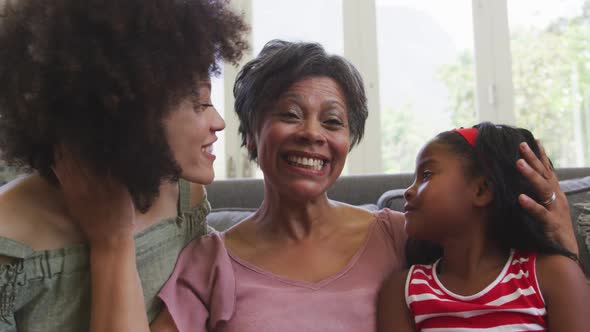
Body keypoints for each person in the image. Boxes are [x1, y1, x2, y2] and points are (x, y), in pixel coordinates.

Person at [80, 41, 580, 332]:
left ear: (348, 140)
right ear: (251, 134)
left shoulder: (403, 235)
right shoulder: (209, 260)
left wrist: (558, 233)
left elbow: (507, 269)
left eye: (333, 121)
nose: (313, 134)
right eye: (289, 114)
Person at [0, 0, 247, 330]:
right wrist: (111, 242)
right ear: (129, 111)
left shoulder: (185, 198)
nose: (219, 122)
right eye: (200, 104)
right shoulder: (8, 241)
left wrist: (114, 241)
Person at [377, 123, 590, 332]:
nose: (408, 191)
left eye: (426, 175)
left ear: (481, 190)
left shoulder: (552, 274)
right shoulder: (402, 291)